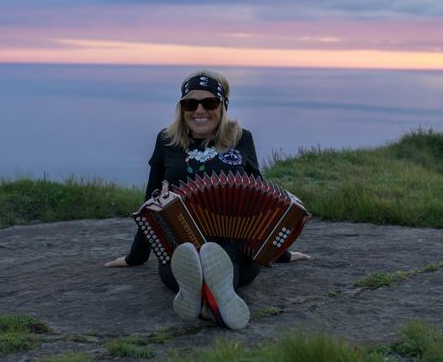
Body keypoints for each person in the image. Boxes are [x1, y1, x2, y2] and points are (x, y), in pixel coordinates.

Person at [105, 69, 310, 330]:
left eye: (209, 102)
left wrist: (281, 252)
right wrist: (135, 256)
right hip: (180, 242)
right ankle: (214, 302)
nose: (199, 110)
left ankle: (200, 298)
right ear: (182, 108)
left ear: (223, 105)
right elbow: (150, 204)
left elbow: (261, 200)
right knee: (182, 259)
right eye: (190, 103)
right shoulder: (166, 141)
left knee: (224, 257)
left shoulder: (241, 139)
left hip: (236, 244)